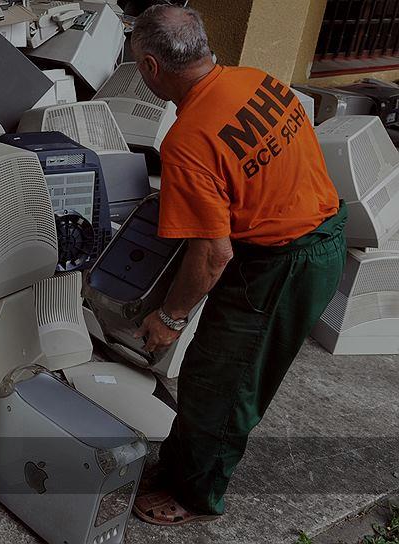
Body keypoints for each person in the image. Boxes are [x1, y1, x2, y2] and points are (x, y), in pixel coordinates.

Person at [127, 5, 347, 526]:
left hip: (283, 264)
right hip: (317, 235)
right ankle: (179, 466)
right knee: (213, 372)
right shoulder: (255, 80)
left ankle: (196, 496)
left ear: (152, 67)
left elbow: (212, 254)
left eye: (138, 65)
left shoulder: (187, 140)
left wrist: (170, 318)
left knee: (223, 384)